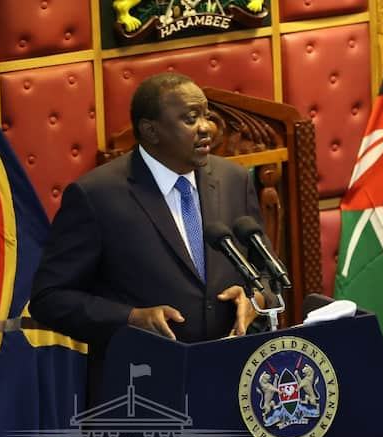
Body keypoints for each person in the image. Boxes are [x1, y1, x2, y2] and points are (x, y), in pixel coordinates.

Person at [29, 72, 266, 355]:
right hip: (143, 378)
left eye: (207, 116)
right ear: (151, 131)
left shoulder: (233, 180)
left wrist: (257, 299)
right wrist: (130, 317)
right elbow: (49, 299)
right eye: (191, 119)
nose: (206, 128)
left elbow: (266, 272)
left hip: (230, 366)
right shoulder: (96, 196)